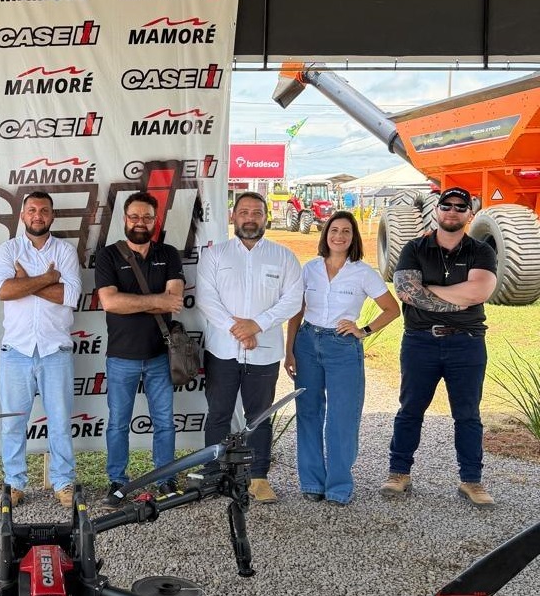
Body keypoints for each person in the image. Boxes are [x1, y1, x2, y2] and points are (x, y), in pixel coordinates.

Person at [380, 187, 498, 505]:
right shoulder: (414, 248)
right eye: (447, 205)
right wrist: (459, 296)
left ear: (470, 214)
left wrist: (428, 289)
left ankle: (471, 481)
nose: (452, 211)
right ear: (437, 210)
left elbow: (479, 292)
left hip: (467, 343)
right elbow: (406, 291)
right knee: (410, 410)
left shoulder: (481, 251)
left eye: (460, 207)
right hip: (420, 341)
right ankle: (398, 473)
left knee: (468, 414)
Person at [285, 211, 400, 505]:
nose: (339, 236)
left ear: (353, 237)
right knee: (308, 413)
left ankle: (338, 485)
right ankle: (312, 482)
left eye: (346, 231)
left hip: (342, 347)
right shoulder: (310, 269)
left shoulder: (363, 272)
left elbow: (392, 309)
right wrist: (289, 350)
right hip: (307, 343)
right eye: (334, 230)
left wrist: (363, 330)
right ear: (326, 235)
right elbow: (297, 310)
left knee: (342, 417)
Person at [196, 191, 303, 503]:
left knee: (259, 416)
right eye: (244, 212)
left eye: (257, 213)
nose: (250, 218)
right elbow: (206, 299)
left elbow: (293, 300)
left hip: (264, 351)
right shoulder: (215, 255)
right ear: (233, 217)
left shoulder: (283, 257)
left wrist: (257, 325)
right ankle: (213, 475)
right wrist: (239, 330)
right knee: (219, 414)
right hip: (222, 350)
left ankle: (258, 478)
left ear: (266, 218)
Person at [0, 192, 82, 509]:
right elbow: (2, 290)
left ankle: (63, 482)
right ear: (23, 216)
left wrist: (26, 282)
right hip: (17, 350)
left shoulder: (65, 251)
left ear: (52, 215)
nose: (37, 215)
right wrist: (47, 279)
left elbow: (69, 296)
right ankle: (14, 483)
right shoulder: (9, 249)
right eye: (31, 210)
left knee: (60, 423)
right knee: (13, 424)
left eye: (43, 210)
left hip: (56, 350)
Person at [94, 191, 185, 508]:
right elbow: (110, 302)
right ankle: (117, 481)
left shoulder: (168, 253)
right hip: (121, 357)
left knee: (165, 422)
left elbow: (174, 300)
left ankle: (166, 478)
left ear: (155, 220)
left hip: (160, 355)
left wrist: (131, 302)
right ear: (125, 219)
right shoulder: (108, 256)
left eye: (147, 217)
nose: (140, 222)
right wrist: (156, 300)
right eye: (134, 216)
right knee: (118, 424)